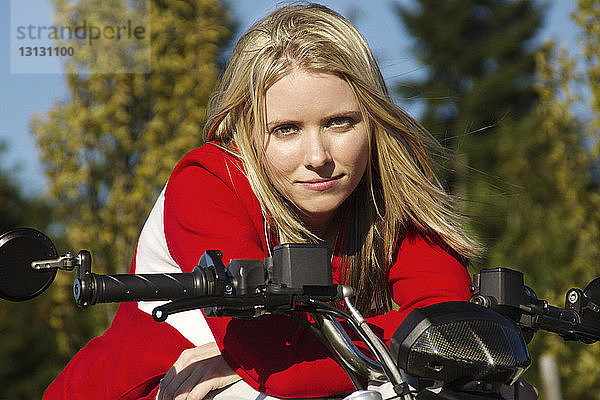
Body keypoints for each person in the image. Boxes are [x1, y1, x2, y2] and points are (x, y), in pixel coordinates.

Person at [44, 3, 483, 399]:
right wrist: (405, 347)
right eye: (286, 129)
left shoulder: (390, 186)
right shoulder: (207, 181)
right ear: (242, 131)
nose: (319, 158)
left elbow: (453, 329)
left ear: (374, 121)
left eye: (340, 122)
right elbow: (282, 366)